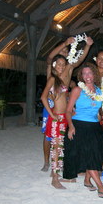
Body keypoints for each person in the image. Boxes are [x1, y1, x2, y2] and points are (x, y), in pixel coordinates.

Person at [41, 36, 93, 172]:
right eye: (62, 51)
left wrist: (87, 46)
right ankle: (48, 163)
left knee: (63, 139)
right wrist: (65, 43)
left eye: (66, 51)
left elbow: (79, 60)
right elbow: (49, 58)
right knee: (49, 137)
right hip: (52, 108)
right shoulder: (51, 70)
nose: (64, 53)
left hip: (63, 110)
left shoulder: (68, 69)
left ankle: (62, 167)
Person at [63, 63, 103, 198]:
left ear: (94, 75)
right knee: (90, 155)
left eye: (89, 73)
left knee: (100, 153)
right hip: (79, 126)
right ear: (81, 76)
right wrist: (71, 126)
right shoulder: (77, 90)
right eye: (84, 73)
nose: (87, 76)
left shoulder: (100, 92)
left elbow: (98, 111)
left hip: (95, 127)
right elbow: (68, 111)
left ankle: (87, 180)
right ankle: (101, 187)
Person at [40, 55, 70, 189]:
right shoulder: (52, 79)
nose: (62, 67)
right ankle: (55, 180)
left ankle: (55, 174)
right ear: (54, 65)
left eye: (64, 64)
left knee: (60, 147)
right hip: (56, 117)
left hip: (63, 117)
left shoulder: (61, 80)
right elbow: (43, 97)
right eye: (59, 64)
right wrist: (51, 113)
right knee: (56, 147)